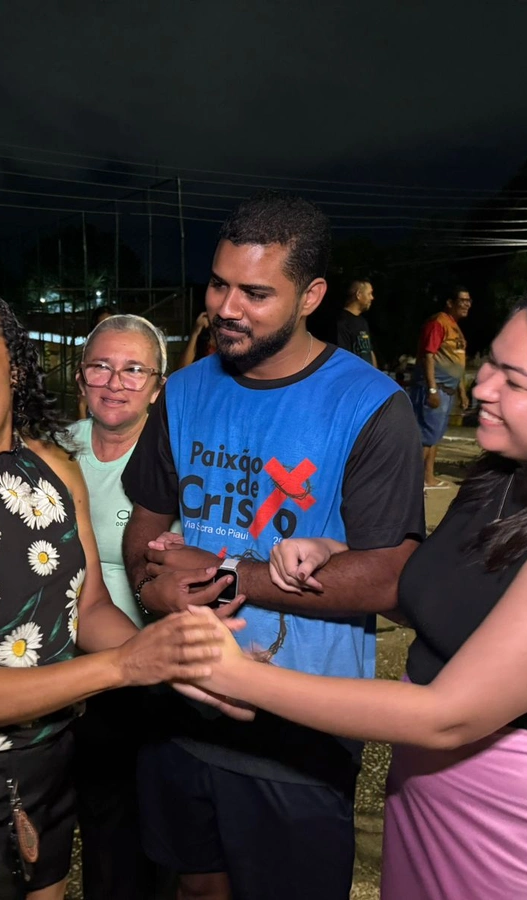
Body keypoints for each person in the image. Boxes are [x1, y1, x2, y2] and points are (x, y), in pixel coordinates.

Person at [188, 270, 527, 900]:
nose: (480, 386)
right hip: (428, 796)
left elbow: (449, 716)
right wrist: (333, 552)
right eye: (490, 363)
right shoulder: (504, 477)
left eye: (515, 381)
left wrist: (233, 674)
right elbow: (444, 599)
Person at [0, 274, 234, 900]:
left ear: (16, 365)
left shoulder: (54, 467)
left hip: (47, 767)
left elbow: (89, 607)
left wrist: (177, 660)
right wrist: (125, 667)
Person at [121, 191, 425, 900]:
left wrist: (224, 573)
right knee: (195, 888)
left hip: (298, 731)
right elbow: (144, 527)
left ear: (311, 296)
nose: (226, 308)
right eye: (218, 284)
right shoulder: (184, 391)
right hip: (178, 707)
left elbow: (387, 576)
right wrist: (150, 587)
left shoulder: (371, 405)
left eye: (255, 293)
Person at [68, 314, 170, 900]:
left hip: (147, 669)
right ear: (80, 377)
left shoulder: (178, 459)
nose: (114, 382)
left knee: (141, 827)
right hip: (63, 668)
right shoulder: (51, 450)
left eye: (134, 370)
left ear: (157, 387)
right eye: (100, 367)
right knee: (82, 820)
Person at [411, 286, 471, 488]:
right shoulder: (438, 323)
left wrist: (462, 392)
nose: (466, 304)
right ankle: (411, 482)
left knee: (434, 436)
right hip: (435, 388)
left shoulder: (454, 326)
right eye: (462, 300)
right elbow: (428, 356)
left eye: (468, 301)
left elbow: (457, 361)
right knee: (425, 437)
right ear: (450, 303)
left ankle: (427, 477)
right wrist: (432, 389)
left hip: (448, 390)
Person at [335, 278, 377, 367]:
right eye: (369, 294)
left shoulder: (363, 322)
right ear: (359, 295)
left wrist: (375, 372)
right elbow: (343, 356)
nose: (372, 298)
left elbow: (369, 350)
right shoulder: (342, 322)